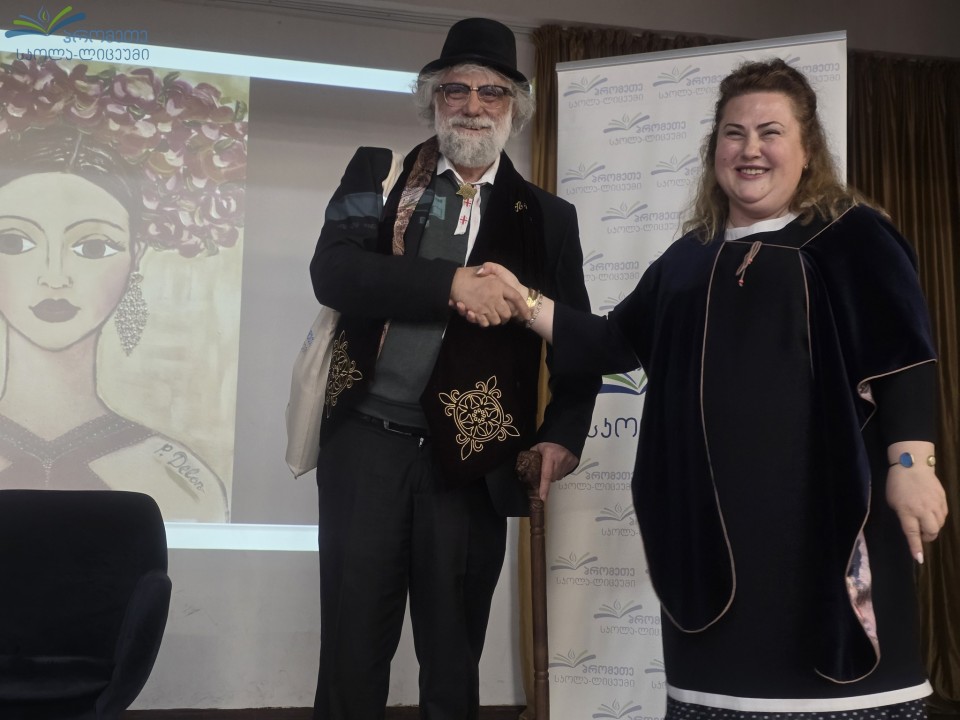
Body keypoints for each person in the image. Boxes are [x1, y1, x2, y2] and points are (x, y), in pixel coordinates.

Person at [468, 59, 948, 720]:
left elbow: (905, 356)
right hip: (713, 535)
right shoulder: (688, 258)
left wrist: (912, 463)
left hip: (825, 522)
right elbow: (612, 342)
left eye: (770, 132)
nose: (750, 149)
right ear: (713, 148)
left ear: (808, 150)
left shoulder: (853, 236)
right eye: (734, 133)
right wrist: (522, 300)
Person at [308, 17, 598, 719]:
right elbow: (334, 273)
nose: (472, 105)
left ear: (514, 108)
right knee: (350, 653)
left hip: (471, 464)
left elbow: (577, 342)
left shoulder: (547, 218)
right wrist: (450, 285)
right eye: (456, 89)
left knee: (452, 661)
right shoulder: (377, 174)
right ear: (433, 100)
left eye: (491, 92)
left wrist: (562, 433)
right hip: (365, 446)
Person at [0, 58, 247, 521]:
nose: (54, 276)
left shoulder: (183, 486)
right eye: (15, 242)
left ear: (136, 256)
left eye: (93, 246)